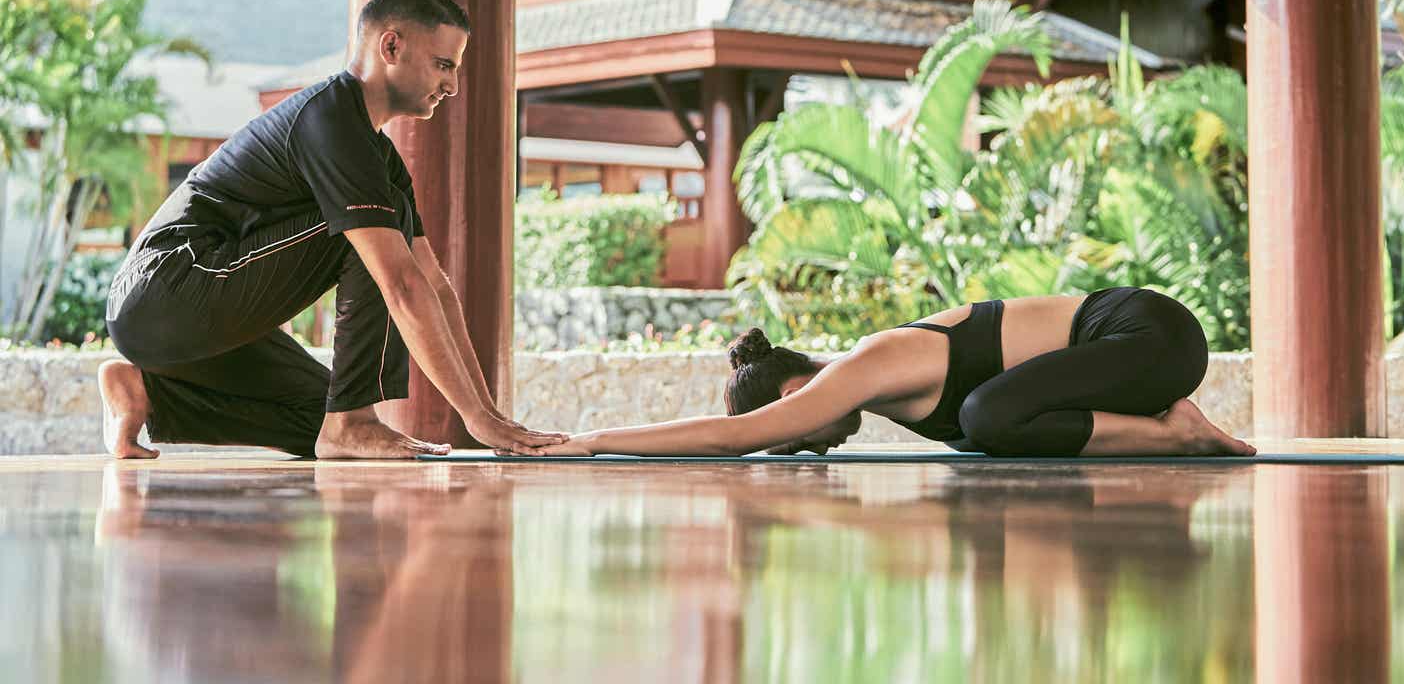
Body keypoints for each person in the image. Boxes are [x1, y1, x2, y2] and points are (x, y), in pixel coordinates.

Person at [100, 0, 565, 460]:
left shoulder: (378, 159)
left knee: (318, 426)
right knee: (369, 236)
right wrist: (476, 420)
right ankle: (354, 421)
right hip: (164, 289)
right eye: (443, 65)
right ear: (391, 46)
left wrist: (486, 414)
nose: (451, 85)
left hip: (183, 319)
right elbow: (401, 283)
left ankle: (145, 393)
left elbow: (434, 287)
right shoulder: (329, 118)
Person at [530, 287, 1255, 458]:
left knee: (982, 419)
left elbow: (735, 435)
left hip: (1150, 334)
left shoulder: (864, 363)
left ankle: (1176, 434)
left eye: (802, 435)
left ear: (795, 393)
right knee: (981, 434)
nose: (817, 445)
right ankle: (1168, 426)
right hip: (1139, 361)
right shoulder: (886, 397)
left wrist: (595, 441)